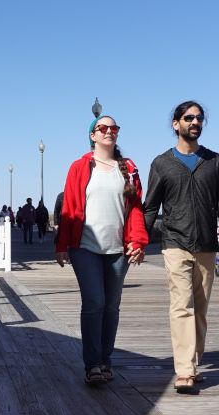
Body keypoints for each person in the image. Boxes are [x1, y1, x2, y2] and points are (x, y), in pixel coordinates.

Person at [143, 100, 219, 393]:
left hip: (207, 244)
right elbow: (150, 207)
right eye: (188, 118)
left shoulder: (215, 161)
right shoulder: (162, 164)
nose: (194, 122)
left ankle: (193, 361)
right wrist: (138, 240)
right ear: (176, 124)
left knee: (200, 308)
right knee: (181, 305)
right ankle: (184, 371)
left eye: (198, 119)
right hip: (175, 243)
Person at [55, 115, 148, 386]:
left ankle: (106, 360)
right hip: (85, 247)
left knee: (111, 306)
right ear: (93, 135)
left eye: (114, 128)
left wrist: (138, 241)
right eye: (103, 128)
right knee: (94, 302)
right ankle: (92, 364)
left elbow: (136, 209)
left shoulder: (128, 168)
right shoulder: (79, 167)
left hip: (119, 248)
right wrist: (62, 245)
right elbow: (68, 208)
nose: (109, 132)